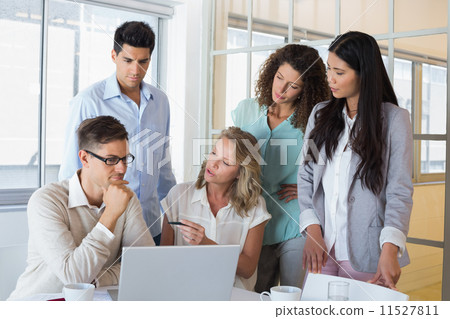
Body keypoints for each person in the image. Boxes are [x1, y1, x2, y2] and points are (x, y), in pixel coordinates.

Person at [298, 31, 413, 289]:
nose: (330, 79)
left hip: (368, 254)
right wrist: (312, 229)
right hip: (322, 247)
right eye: (329, 69)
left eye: (339, 72)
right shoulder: (319, 115)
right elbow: (306, 174)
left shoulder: (395, 120)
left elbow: (399, 191)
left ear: (364, 73)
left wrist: (390, 249)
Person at [9, 116, 154, 300]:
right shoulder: (47, 200)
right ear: (85, 158)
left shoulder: (127, 198)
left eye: (125, 159)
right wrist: (110, 214)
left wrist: (96, 278)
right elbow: (74, 277)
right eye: (111, 160)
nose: (122, 168)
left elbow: (144, 264)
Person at [58, 21, 176, 245]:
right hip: (104, 225)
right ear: (114, 55)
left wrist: (174, 216)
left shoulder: (160, 102)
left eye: (143, 61)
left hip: (150, 225)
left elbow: (163, 167)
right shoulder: (88, 101)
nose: (135, 70)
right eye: (128, 60)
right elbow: (70, 169)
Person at [232, 44, 330, 292]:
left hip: (294, 220)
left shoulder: (315, 120)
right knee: (258, 295)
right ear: (272, 73)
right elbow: (230, 154)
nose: (282, 89)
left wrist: (310, 188)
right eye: (279, 78)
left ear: (306, 89)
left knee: (293, 296)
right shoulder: (247, 109)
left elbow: (332, 167)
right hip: (255, 220)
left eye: (293, 86)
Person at [160, 127, 271, 291]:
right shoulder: (178, 195)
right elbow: (163, 260)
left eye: (226, 162)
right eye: (213, 153)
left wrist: (206, 243)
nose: (213, 163)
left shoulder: (255, 206)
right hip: (185, 292)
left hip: (235, 298)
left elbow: (247, 269)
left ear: (240, 173)